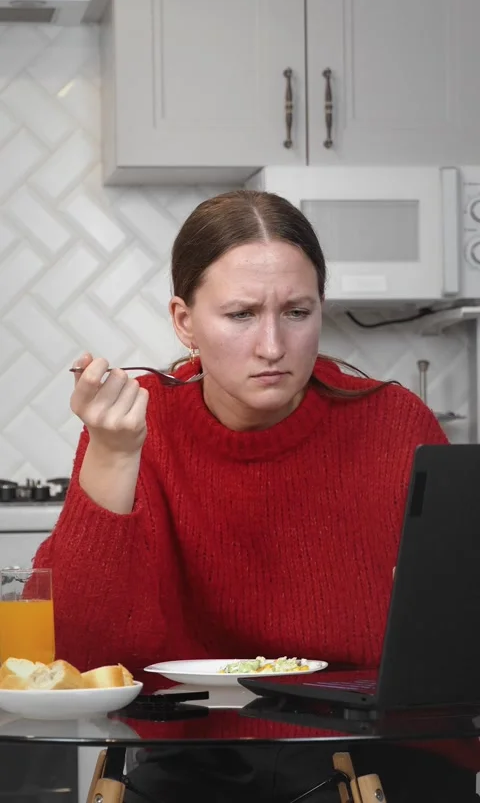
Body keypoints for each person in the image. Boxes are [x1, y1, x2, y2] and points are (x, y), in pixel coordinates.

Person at [33, 190, 478, 801]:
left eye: (297, 312)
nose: (273, 345)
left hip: (378, 750)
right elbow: (81, 658)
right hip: (195, 758)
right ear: (184, 321)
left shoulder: (395, 423)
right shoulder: (134, 427)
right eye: (241, 314)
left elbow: (453, 656)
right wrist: (112, 454)